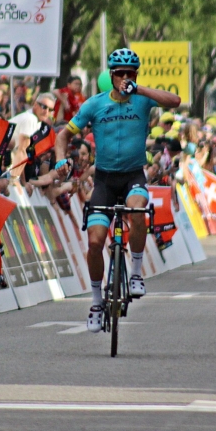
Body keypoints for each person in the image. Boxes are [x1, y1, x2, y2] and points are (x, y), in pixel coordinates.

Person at [54, 48, 180, 333]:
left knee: (137, 211)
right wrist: (61, 159)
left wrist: (140, 88)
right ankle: (97, 302)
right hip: (105, 182)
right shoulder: (94, 104)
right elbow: (63, 135)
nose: (125, 78)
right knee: (96, 243)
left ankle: (135, 273)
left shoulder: (143, 100)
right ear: (110, 75)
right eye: (120, 73)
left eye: (130, 73)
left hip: (134, 176)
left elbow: (175, 101)